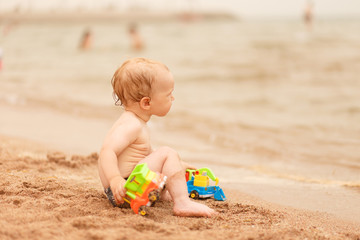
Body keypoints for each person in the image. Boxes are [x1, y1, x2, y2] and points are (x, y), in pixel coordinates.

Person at [98, 57, 215, 217]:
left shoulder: (136, 122)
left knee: (170, 161)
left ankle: (169, 193)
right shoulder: (131, 125)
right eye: (169, 94)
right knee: (167, 152)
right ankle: (182, 202)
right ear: (146, 103)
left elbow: (148, 156)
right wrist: (115, 179)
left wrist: (181, 165)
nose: (172, 98)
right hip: (126, 189)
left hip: (129, 188)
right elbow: (106, 151)